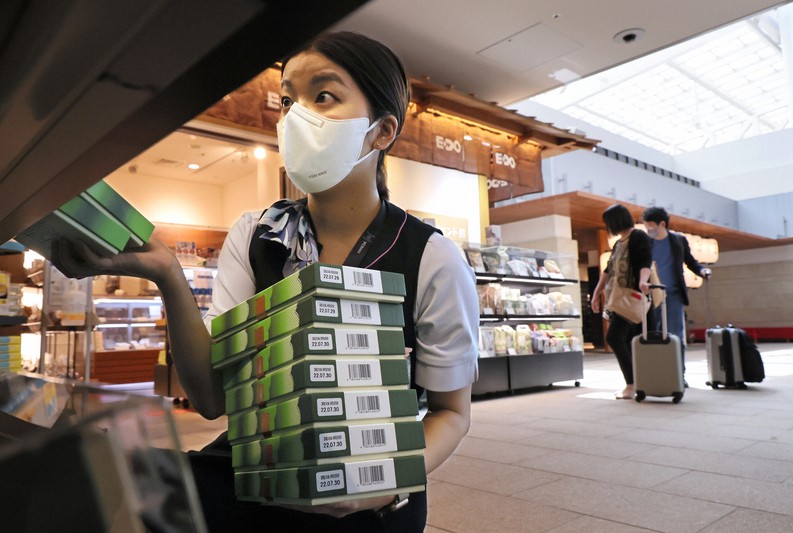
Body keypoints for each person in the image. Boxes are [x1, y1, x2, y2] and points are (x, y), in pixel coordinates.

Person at [52, 31, 479, 532]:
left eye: (324, 95)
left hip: (371, 483)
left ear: (382, 131)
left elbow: (452, 412)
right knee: (87, 483)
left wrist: (382, 482)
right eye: (286, 99)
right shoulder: (256, 235)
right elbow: (212, 400)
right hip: (252, 462)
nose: (296, 115)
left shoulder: (431, 256)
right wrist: (169, 275)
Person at [641, 206, 711, 384]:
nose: (648, 229)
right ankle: (659, 373)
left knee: (675, 335)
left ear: (662, 224)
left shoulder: (678, 240)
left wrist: (702, 271)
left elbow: (690, 261)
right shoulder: (646, 242)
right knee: (654, 334)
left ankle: (679, 374)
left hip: (674, 295)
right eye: (646, 226)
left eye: (650, 226)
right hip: (651, 296)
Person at [590, 204, 652, 400]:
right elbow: (607, 272)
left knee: (614, 337)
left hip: (632, 298)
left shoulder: (638, 237)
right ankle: (638, 382)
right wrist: (596, 294)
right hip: (619, 299)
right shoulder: (618, 244)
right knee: (626, 339)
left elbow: (645, 262)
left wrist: (643, 281)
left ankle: (632, 384)